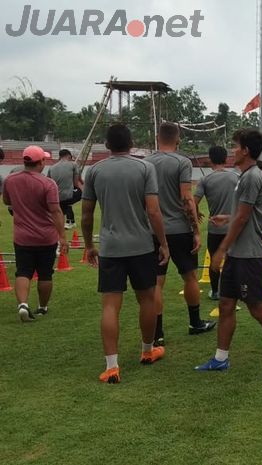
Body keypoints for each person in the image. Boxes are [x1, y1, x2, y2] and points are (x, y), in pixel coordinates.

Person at [195, 128, 262, 375]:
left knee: (257, 308)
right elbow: (242, 214)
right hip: (239, 255)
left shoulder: (251, 177)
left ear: (246, 150)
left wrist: (220, 251)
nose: (232, 150)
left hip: (250, 256)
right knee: (226, 304)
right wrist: (226, 217)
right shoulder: (245, 175)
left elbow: (243, 219)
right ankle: (220, 358)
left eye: (235, 145)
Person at [81, 124, 169, 384]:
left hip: (110, 248)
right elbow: (153, 211)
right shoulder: (144, 168)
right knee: (147, 299)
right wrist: (163, 243)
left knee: (110, 305)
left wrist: (88, 245)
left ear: (107, 145)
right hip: (141, 246)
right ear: (131, 143)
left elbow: (86, 214)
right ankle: (147, 351)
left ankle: (111, 366)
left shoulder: (95, 171)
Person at [149, 122, 215, 346]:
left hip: (153, 231)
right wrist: (196, 229)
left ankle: (157, 334)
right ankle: (195, 322)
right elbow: (187, 197)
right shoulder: (182, 162)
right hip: (179, 230)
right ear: (178, 140)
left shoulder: (146, 163)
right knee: (189, 277)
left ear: (158, 138)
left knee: (156, 283)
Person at [3, 146, 68, 322]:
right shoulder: (47, 184)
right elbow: (56, 211)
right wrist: (62, 236)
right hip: (46, 237)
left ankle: (23, 304)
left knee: (23, 271)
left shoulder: (10, 180)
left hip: (22, 236)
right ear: (40, 162)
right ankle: (42, 307)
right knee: (45, 273)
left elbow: (7, 201)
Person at [194, 146, 240, 301]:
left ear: (210, 160)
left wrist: (197, 212)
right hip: (233, 226)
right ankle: (233, 290)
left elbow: (193, 203)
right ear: (226, 159)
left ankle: (215, 291)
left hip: (214, 227)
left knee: (215, 260)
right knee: (232, 259)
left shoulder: (205, 180)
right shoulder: (236, 177)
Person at [47, 149, 83, 229]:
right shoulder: (73, 165)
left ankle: (69, 221)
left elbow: (48, 183)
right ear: (69, 156)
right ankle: (70, 221)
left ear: (59, 157)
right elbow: (76, 183)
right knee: (77, 193)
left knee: (64, 206)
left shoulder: (51, 168)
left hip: (56, 197)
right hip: (68, 197)